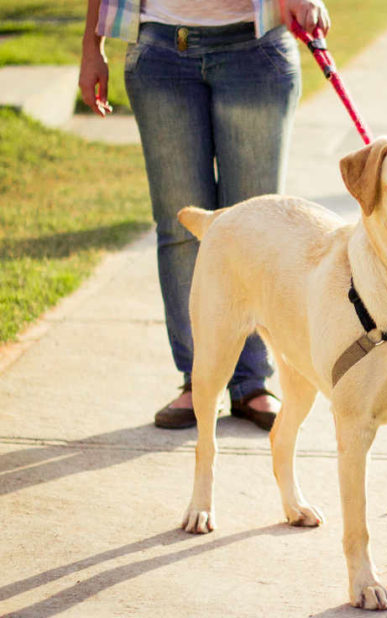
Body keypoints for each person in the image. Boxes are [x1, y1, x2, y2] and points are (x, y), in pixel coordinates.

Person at [78, 0, 329, 430]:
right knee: (180, 226)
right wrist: (91, 45)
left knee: (260, 233)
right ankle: (199, 380)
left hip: (254, 49)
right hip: (159, 50)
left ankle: (251, 382)